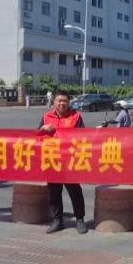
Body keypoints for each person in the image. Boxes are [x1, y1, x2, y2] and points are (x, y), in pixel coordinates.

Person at [38, 90, 88, 234]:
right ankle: (57, 220)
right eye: (59, 100)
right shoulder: (46, 117)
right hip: (52, 159)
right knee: (54, 192)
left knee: (75, 191)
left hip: (69, 161)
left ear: (69, 102)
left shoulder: (76, 116)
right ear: (54, 102)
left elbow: (83, 137)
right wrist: (43, 128)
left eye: (65, 101)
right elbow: (37, 137)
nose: (62, 103)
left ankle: (80, 219)